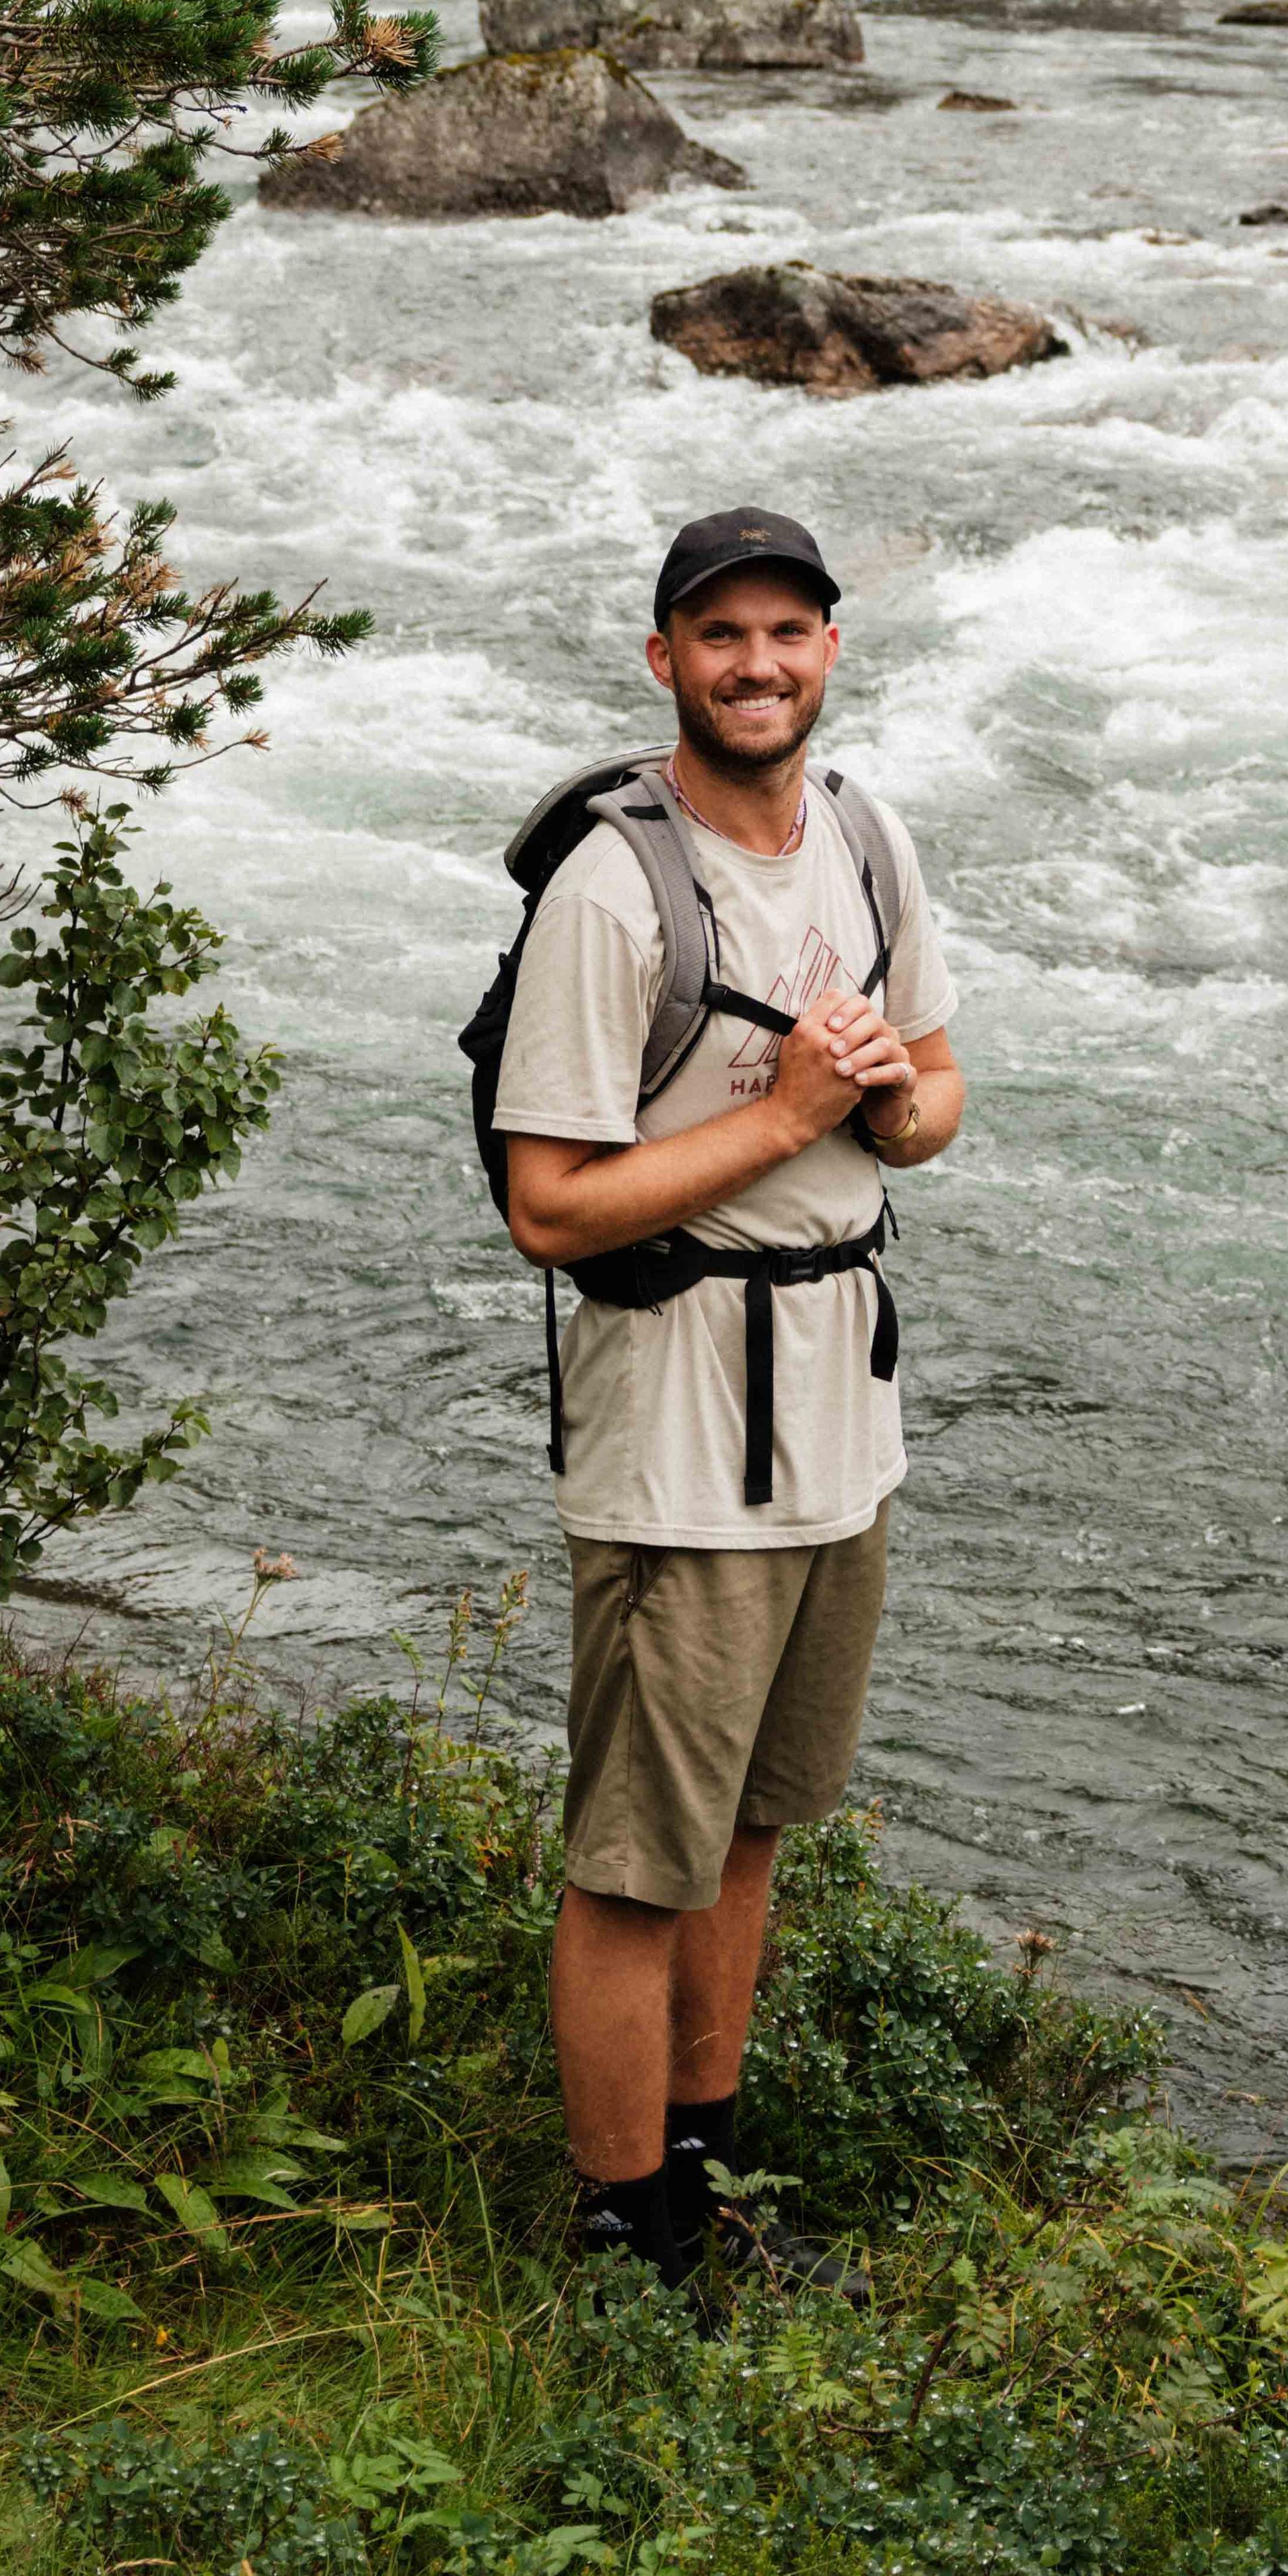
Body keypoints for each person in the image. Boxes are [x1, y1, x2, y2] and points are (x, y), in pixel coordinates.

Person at [490, 503, 964, 2280]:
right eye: (721, 636)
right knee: (639, 1857)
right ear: (663, 661)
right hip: (683, 1429)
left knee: (755, 1822)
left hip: (841, 1413)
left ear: (830, 651)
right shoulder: (614, 890)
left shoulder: (865, 833)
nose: (756, 664)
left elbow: (931, 1086)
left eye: (788, 632)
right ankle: (623, 2238)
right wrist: (781, 1114)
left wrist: (885, 1103)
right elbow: (549, 1205)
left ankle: (709, 2183)